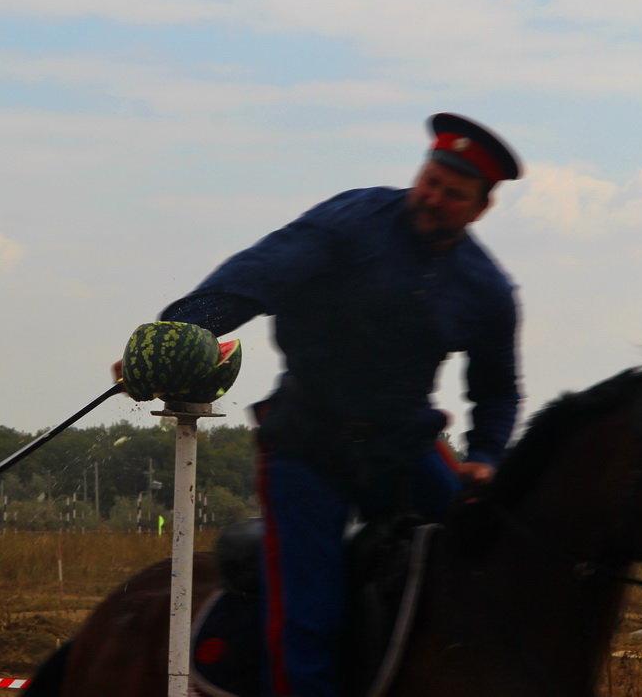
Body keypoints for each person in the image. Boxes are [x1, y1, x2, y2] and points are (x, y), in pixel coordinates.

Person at [155, 113, 523, 697]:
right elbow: (252, 279)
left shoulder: (487, 290)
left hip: (403, 447)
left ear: (480, 209)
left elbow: (498, 391)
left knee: (492, 566)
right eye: (430, 181)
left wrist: (485, 456)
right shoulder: (351, 221)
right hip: (307, 447)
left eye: (453, 195)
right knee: (309, 619)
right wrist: (175, 338)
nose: (433, 199)